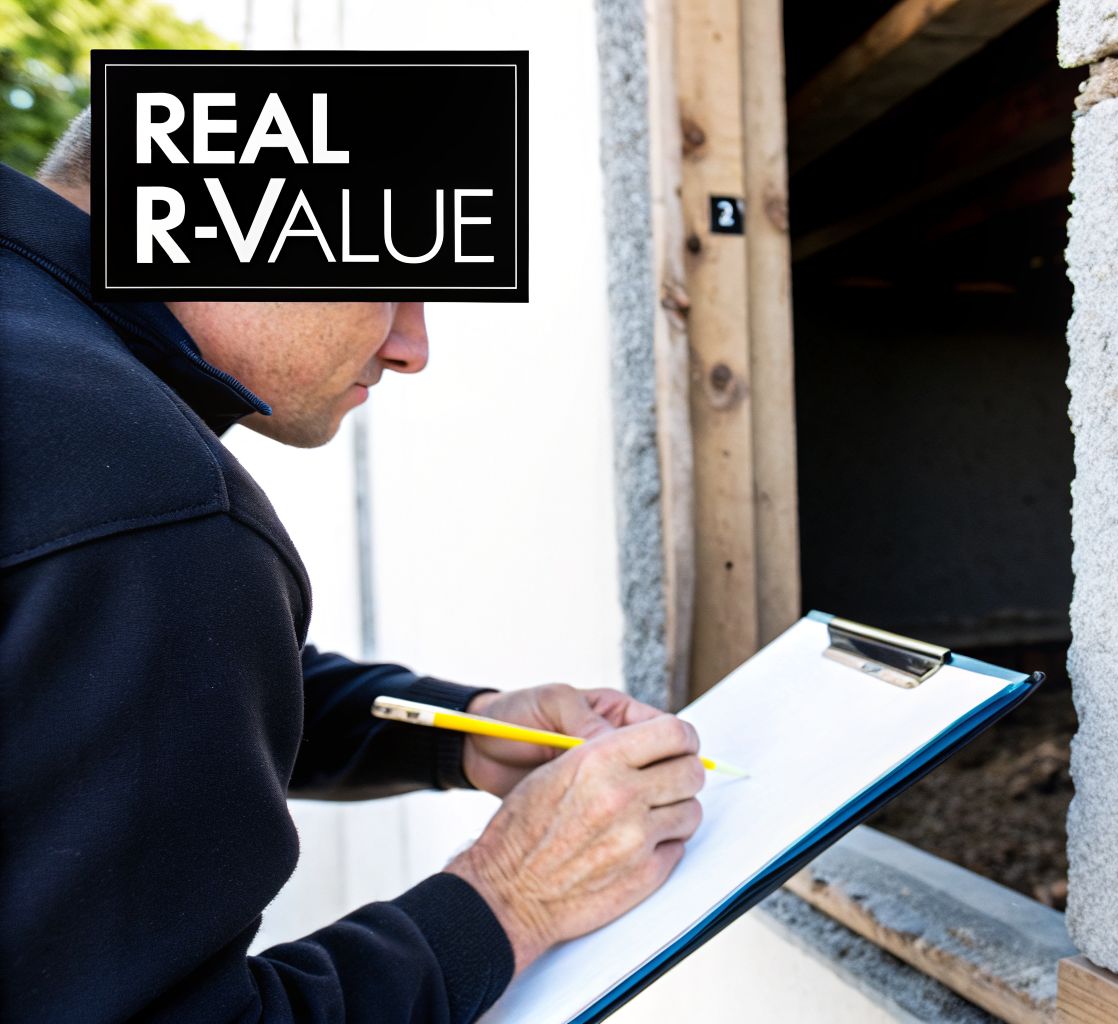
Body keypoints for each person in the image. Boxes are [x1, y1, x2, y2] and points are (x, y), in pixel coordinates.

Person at [0, 110, 705, 1022]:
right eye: (390, 284)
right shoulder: (148, 503)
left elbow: (103, 683)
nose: (412, 347)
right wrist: (513, 896)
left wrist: (457, 727)